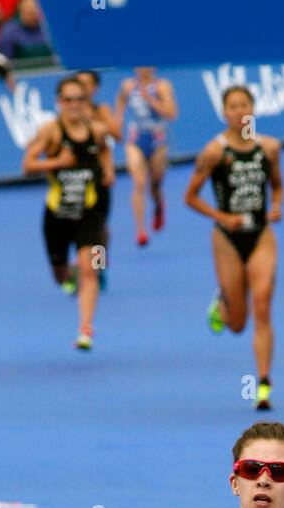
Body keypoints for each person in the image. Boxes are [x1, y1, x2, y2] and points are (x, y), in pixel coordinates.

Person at [184, 85, 283, 412]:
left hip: (261, 235)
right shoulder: (214, 152)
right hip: (227, 239)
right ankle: (221, 306)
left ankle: (263, 386)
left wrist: (277, 206)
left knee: (263, 305)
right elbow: (191, 197)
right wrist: (222, 217)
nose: (240, 112)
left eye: (245, 105)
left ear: (254, 109)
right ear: (224, 113)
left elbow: (278, 186)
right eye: (233, 106)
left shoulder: (269, 148)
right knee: (238, 324)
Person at [22, 74, 109, 350]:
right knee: (60, 276)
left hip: (89, 213)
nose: (73, 105)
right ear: (59, 102)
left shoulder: (96, 130)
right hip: (57, 215)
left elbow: (104, 150)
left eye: (79, 99)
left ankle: (86, 330)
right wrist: (57, 162)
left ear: (86, 102)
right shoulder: (52, 131)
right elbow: (28, 164)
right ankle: (67, 272)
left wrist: (107, 171)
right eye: (68, 99)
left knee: (91, 270)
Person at [115, 66, 178, 246]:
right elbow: (120, 102)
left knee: (155, 185)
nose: (142, 69)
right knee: (139, 183)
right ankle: (141, 230)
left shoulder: (162, 86)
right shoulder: (127, 85)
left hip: (157, 140)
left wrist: (150, 99)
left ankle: (158, 205)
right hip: (135, 140)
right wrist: (118, 120)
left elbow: (172, 113)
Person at [74, 69, 122, 289]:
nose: (83, 89)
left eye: (87, 84)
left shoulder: (101, 110)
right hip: (74, 178)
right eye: (79, 84)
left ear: (95, 88)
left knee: (100, 228)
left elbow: (115, 137)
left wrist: (109, 171)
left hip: (99, 176)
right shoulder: (67, 113)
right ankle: (80, 269)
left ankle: (99, 266)